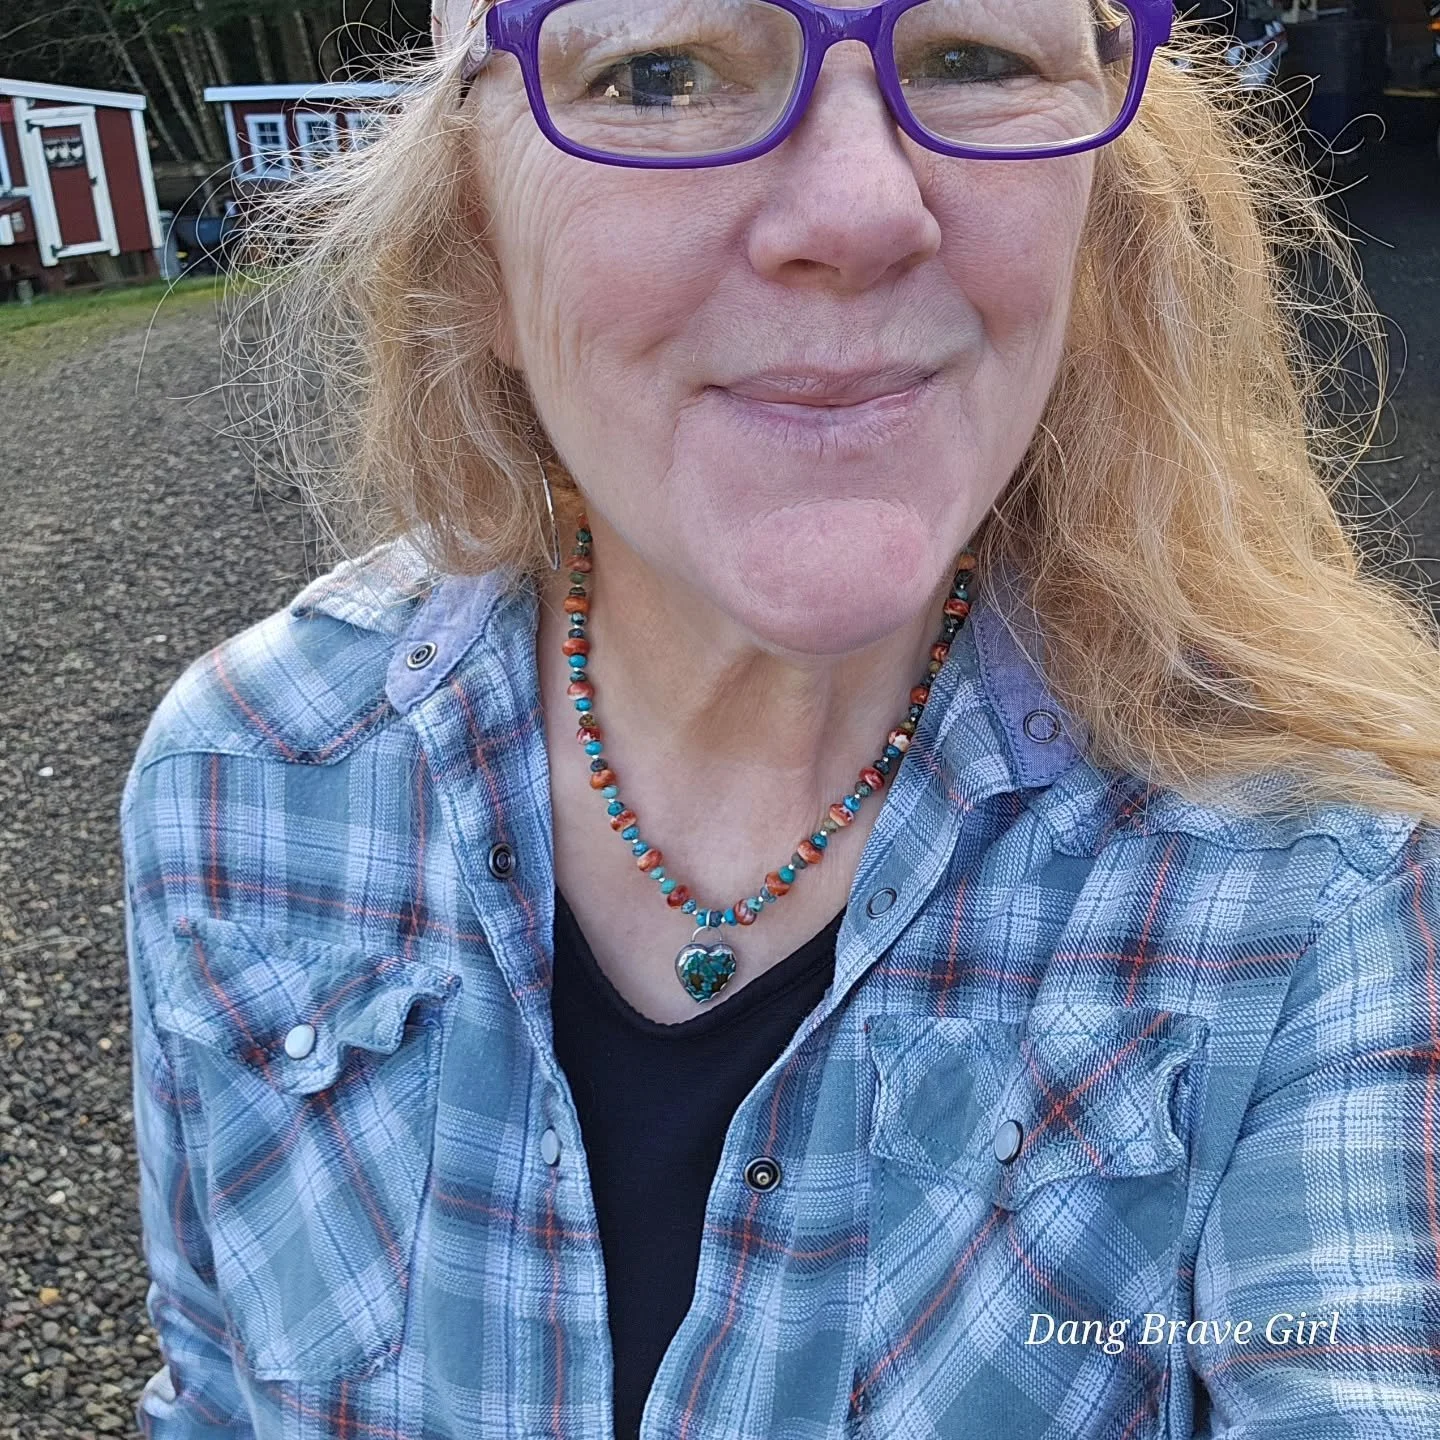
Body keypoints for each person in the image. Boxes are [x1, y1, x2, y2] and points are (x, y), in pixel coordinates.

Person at [122, 1, 1440, 1436]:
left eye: (974, 56)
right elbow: (214, 1390)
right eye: (663, 72)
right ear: (473, 255)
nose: (864, 209)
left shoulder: (1328, 895)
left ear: (1097, 227)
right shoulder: (251, 776)